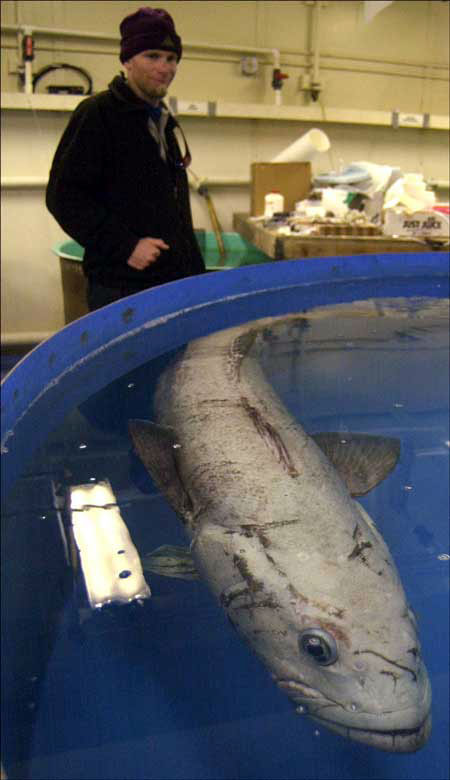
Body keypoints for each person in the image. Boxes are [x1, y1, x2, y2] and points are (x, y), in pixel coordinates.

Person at [46, 6, 205, 311]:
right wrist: (126, 246)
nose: (165, 67)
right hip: (122, 287)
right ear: (128, 60)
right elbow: (63, 197)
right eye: (153, 56)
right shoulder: (98, 114)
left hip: (169, 281)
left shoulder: (161, 121)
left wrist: (193, 275)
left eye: (171, 59)